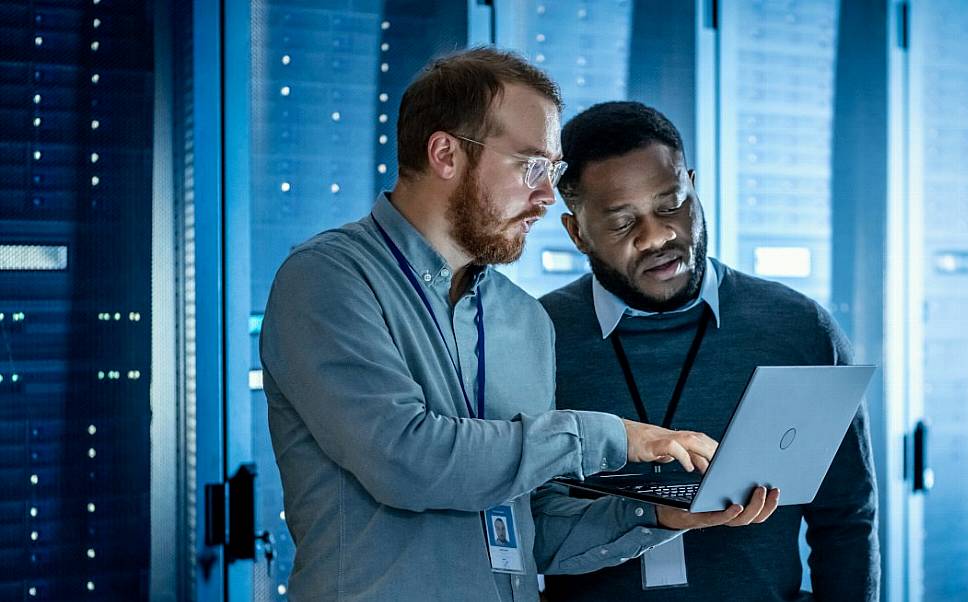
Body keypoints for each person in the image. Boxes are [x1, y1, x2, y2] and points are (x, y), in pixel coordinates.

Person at [260, 49, 776, 602]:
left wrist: (656, 514)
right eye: (532, 166)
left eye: (552, 171)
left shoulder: (525, 319)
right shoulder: (327, 279)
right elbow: (406, 460)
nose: (548, 197)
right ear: (445, 154)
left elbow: (532, 530)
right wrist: (615, 436)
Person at [540, 101, 880, 601]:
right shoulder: (536, 335)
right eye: (621, 222)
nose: (657, 236)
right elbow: (515, 524)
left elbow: (847, 516)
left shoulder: (797, 327)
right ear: (576, 233)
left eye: (671, 204)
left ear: (693, 186)